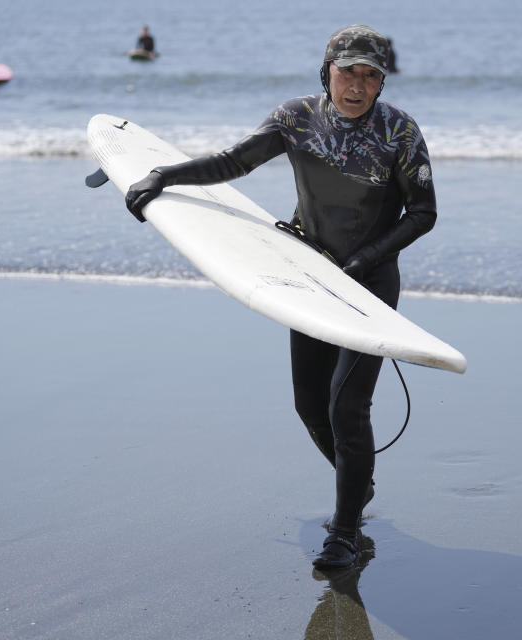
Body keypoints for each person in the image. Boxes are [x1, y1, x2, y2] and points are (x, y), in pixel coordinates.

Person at [124, 24, 436, 569]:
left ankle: (344, 532)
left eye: (369, 75)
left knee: (347, 406)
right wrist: (162, 176)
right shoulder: (296, 118)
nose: (357, 86)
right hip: (311, 277)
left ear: (382, 81)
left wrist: (366, 260)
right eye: (347, 73)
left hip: (369, 285)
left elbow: (424, 213)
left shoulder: (400, 133)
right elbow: (233, 163)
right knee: (309, 404)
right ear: (326, 72)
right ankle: (356, 482)